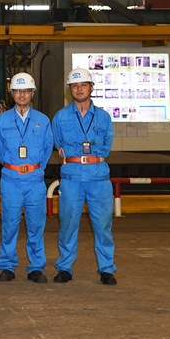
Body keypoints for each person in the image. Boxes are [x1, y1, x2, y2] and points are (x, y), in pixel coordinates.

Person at [53, 67, 117, 286]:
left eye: (83, 85)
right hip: (71, 177)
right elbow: (58, 144)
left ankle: (106, 269)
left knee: (103, 225)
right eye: (75, 86)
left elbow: (106, 146)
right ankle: (64, 267)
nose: (79, 89)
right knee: (68, 223)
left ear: (91, 88)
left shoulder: (103, 117)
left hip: (98, 178)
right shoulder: (60, 117)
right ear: (69, 89)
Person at [0, 72, 54, 283]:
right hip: (10, 180)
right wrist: (14, 167)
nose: (22, 95)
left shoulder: (43, 121)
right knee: (9, 224)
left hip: (35, 181)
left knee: (36, 225)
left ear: (32, 93)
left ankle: (36, 267)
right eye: (18, 91)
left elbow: (47, 149)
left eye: (26, 91)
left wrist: (33, 169)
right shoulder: (2, 120)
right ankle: (7, 265)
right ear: (12, 94)